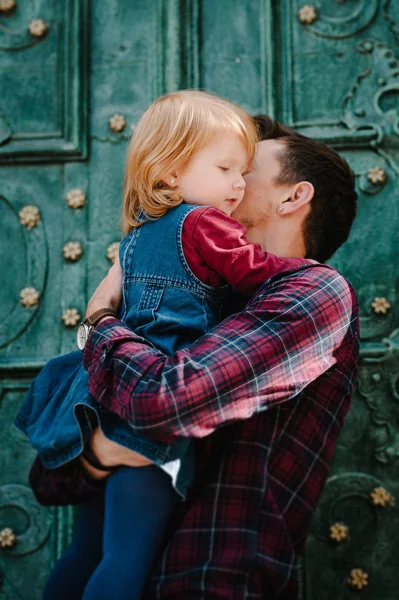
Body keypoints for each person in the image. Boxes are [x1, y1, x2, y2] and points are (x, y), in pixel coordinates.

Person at [28, 115, 359, 599]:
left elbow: (166, 402)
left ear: (293, 197)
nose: (232, 182)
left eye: (245, 169)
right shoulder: (193, 295)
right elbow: (47, 477)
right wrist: (99, 453)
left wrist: (99, 319)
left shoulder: (315, 292)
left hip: (207, 583)